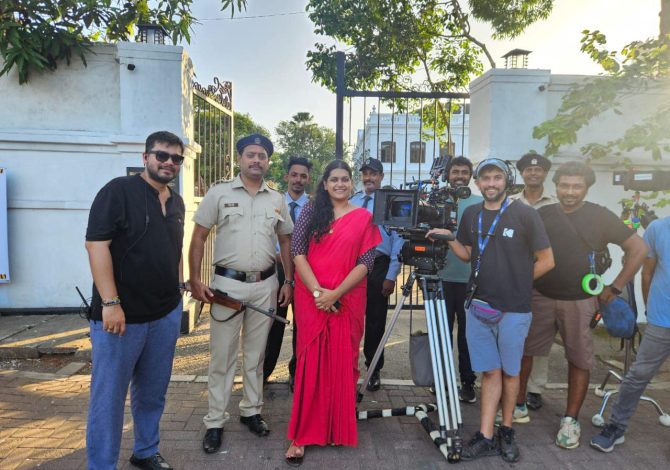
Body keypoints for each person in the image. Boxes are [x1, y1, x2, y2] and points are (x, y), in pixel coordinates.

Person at [426, 158, 554, 463]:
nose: (491, 183)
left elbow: (548, 260)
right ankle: (485, 435)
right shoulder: (472, 213)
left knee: (510, 373)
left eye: (497, 177)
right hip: (479, 306)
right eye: (486, 178)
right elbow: (468, 254)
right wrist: (449, 238)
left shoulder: (525, 214)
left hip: (514, 309)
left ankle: (506, 431)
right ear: (478, 183)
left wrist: (519, 283)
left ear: (506, 180)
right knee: (490, 371)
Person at [517, 161, 647, 449]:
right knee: (524, 353)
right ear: (556, 186)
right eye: (564, 185)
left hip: (580, 300)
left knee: (579, 359)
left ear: (587, 188)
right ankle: (518, 404)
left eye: (577, 186)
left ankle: (570, 420)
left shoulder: (601, 216)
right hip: (539, 296)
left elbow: (638, 249)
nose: (570, 191)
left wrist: (615, 288)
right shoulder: (542, 214)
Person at [85, 131, 186, 470]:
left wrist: (178, 290)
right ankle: (102, 464)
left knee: (153, 392)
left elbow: (174, 249)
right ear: (145, 157)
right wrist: (110, 303)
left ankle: (145, 451)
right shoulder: (118, 191)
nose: (169, 162)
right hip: (120, 318)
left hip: (164, 314)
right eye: (162, 155)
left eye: (176, 158)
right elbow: (96, 245)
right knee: (109, 399)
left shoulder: (176, 201)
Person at [188, 134, 294, 454]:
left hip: (265, 285)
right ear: (239, 158)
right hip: (227, 287)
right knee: (222, 356)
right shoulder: (219, 193)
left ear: (268, 161)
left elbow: (286, 241)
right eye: (251, 154)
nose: (256, 160)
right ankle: (215, 421)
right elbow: (198, 237)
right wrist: (195, 279)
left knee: (256, 355)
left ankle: (251, 410)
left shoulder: (276, 199)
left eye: (262, 155)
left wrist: (288, 281)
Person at [285, 160, 381, 466]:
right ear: (324, 184)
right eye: (334, 179)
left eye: (345, 179)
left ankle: (335, 427)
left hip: (347, 298)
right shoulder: (311, 212)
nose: (340, 184)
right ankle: (301, 436)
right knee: (310, 363)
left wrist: (335, 294)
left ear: (352, 183)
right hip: (311, 297)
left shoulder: (364, 217)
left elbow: (366, 262)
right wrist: (319, 294)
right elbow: (297, 253)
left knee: (342, 361)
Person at [591, 215, 670, 452]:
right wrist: (650, 310)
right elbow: (647, 273)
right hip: (662, 318)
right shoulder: (658, 228)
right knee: (638, 375)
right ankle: (616, 427)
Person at [508, 153, 557, 415]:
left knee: (539, 336)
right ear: (522, 174)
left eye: (538, 170)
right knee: (514, 335)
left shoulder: (556, 204)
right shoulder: (511, 203)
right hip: (514, 277)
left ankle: (535, 388)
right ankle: (512, 387)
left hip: (544, 278)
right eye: (528, 170)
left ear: (545, 174)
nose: (533, 173)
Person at [350, 157, 404, 391]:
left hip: (378, 265)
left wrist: (391, 275)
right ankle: (347, 366)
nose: (368, 178)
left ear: (381, 176)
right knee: (349, 320)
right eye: (365, 174)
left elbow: (398, 241)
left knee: (375, 322)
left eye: (373, 174)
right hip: (351, 266)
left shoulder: (390, 203)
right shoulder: (352, 201)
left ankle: (373, 369)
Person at [436, 156, 482, 403]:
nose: (460, 176)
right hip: (440, 278)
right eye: (456, 172)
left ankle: (467, 382)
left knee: (468, 335)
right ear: (448, 174)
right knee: (441, 333)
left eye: (465, 172)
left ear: (471, 176)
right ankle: (442, 381)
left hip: (469, 281)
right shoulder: (436, 201)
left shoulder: (479, 204)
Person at [264, 156, 312, 391]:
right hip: (276, 270)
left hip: (305, 272)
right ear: (287, 176)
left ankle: (297, 373)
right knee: (273, 322)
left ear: (308, 179)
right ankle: (264, 372)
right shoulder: (272, 202)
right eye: (294, 175)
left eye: (303, 176)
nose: (298, 180)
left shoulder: (314, 208)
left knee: (302, 325)